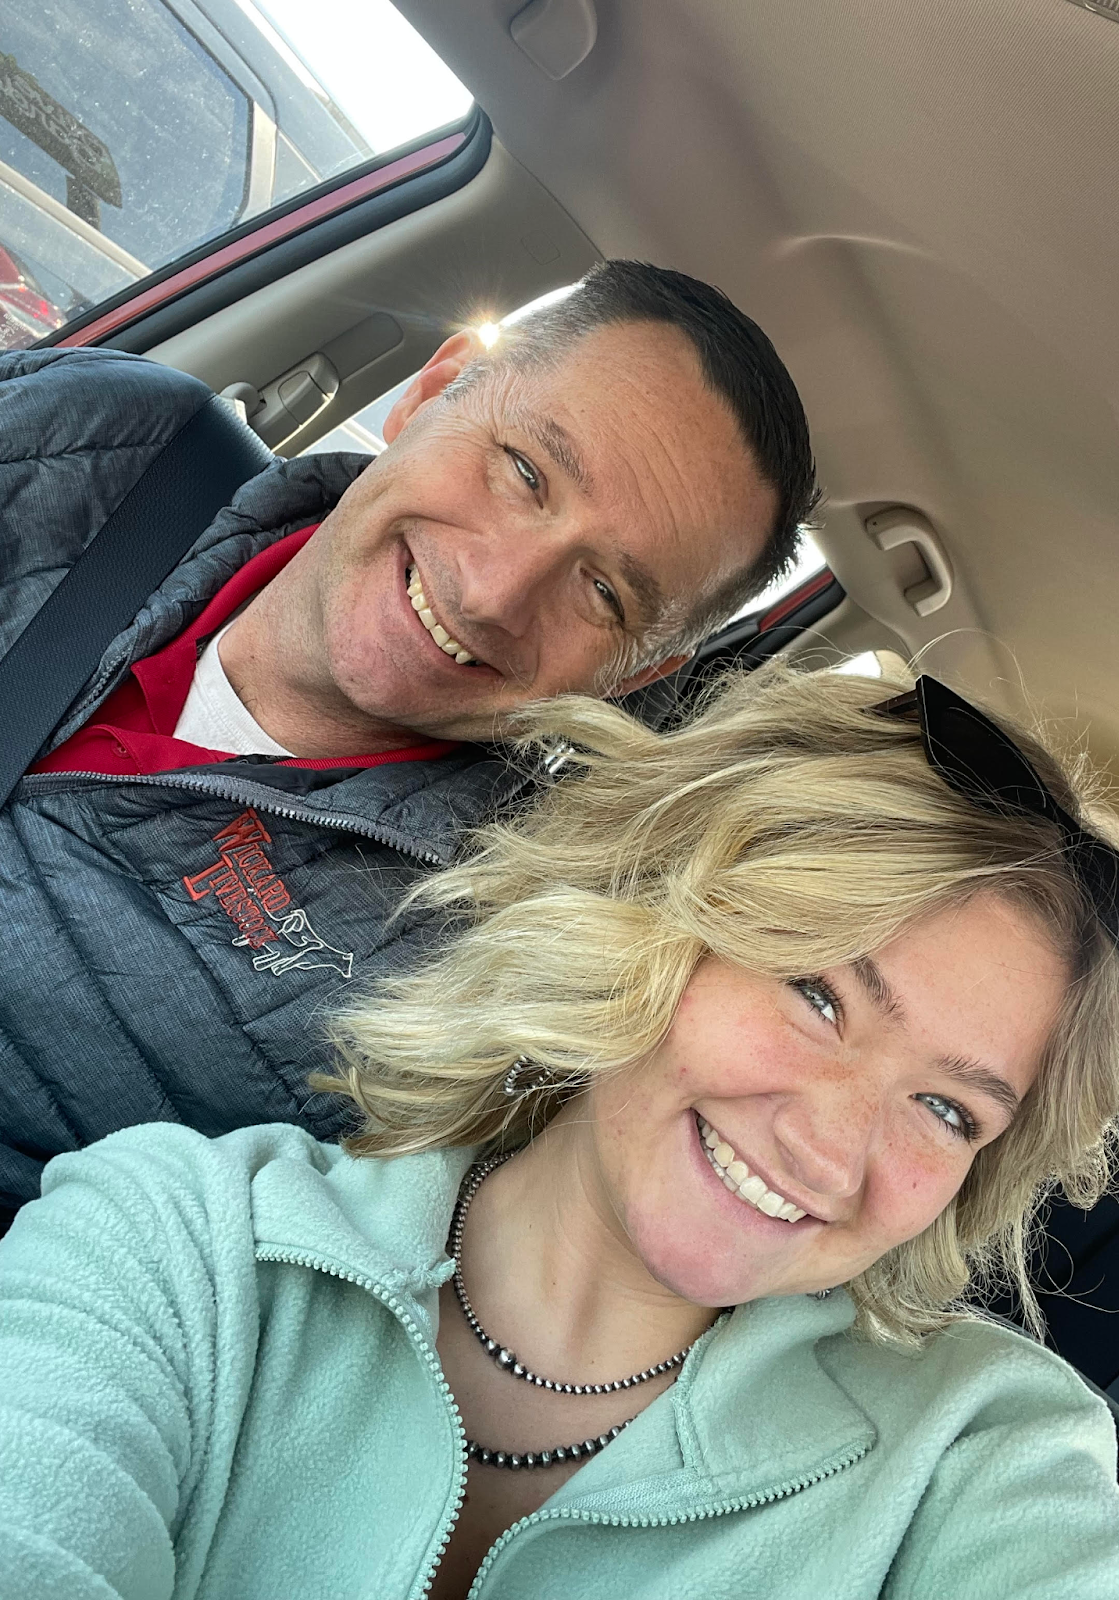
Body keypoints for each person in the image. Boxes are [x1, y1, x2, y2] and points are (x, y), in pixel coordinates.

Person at [0, 664, 1119, 1598]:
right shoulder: (180, 1240)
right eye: (817, 993)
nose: (831, 1148)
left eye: (948, 1109)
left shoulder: (979, 1453)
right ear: (649, 916)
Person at [0, 259, 818, 1217]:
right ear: (434, 390)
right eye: (524, 472)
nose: (493, 592)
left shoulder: (459, 981)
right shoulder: (105, 436)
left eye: (603, 592)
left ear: (634, 676)